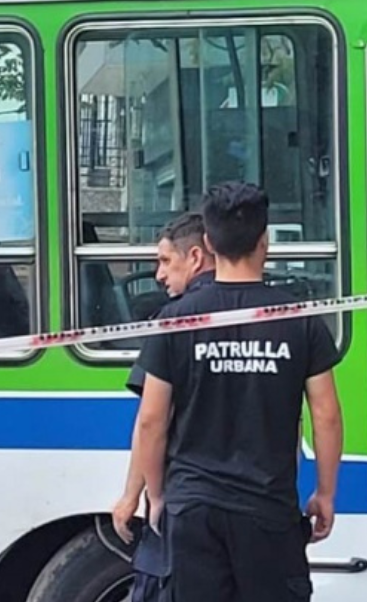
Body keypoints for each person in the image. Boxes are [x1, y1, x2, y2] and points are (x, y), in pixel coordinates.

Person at [132, 182, 344, 602]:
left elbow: (152, 420)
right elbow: (326, 415)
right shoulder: (299, 319)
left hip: (192, 509)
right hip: (267, 510)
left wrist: (156, 496)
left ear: (208, 242)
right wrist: (325, 492)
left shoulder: (174, 320)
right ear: (265, 241)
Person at [112, 213, 217, 601]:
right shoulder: (272, 315)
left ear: (195, 257)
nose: (158, 275)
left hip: (182, 505)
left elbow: (153, 421)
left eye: (165, 261)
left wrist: (135, 496)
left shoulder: (172, 323)